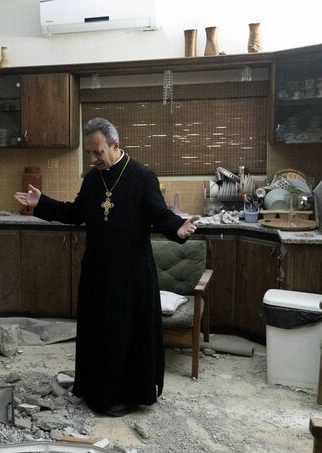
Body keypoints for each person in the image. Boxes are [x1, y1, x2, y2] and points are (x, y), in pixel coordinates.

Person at [13, 117, 200, 416]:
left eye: (97, 152)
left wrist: (177, 228)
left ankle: (128, 395)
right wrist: (41, 204)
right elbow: (75, 213)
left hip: (131, 276)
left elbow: (159, 214)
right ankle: (97, 392)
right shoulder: (92, 179)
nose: (93, 159)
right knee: (99, 332)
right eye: (89, 153)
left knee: (125, 334)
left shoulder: (142, 176)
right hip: (97, 273)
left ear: (116, 146)